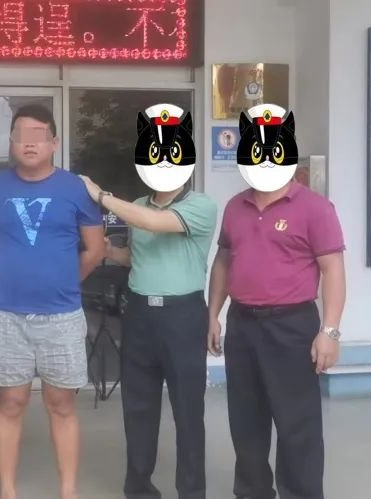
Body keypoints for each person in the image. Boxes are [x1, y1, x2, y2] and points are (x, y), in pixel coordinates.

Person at [207, 104, 346, 499]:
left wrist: (330, 331)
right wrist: (213, 314)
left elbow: (333, 271)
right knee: (246, 421)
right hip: (243, 325)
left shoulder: (315, 208)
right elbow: (223, 261)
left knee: (296, 424)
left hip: (292, 326)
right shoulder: (235, 207)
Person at [80, 105, 217, 499]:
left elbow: (156, 224)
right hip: (140, 314)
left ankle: (191, 491)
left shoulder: (201, 205)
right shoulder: (140, 203)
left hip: (183, 316)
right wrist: (108, 252)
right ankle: (138, 487)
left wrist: (102, 196)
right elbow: (136, 255)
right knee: (138, 407)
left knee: (188, 411)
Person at [0, 103, 105, 499]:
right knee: (10, 403)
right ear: (11, 143)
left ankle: (68, 491)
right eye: (21, 136)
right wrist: (10, 274)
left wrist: (63, 280)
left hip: (62, 316)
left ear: (54, 142)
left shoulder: (75, 189)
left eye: (38, 136)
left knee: (61, 404)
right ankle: (7, 491)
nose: (29, 144)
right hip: (7, 315)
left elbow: (95, 250)